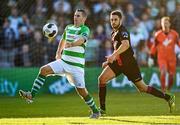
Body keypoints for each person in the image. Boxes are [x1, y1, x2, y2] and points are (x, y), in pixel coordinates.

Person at [19, 9, 100, 119]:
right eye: (75, 15)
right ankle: (31, 95)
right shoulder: (68, 27)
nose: (75, 17)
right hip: (64, 62)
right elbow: (63, 39)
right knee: (43, 70)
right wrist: (58, 52)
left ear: (84, 18)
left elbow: (82, 39)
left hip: (76, 67)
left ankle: (95, 111)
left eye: (78, 16)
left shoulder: (85, 29)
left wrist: (72, 44)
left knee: (82, 92)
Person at [98, 10, 175, 115]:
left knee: (142, 88)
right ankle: (102, 110)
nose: (113, 22)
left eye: (115, 19)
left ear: (120, 20)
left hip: (129, 64)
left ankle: (168, 98)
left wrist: (112, 56)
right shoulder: (113, 33)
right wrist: (109, 61)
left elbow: (126, 45)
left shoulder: (123, 31)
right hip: (119, 63)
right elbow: (118, 50)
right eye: (111, 20)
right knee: (102, 79)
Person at [148, 16, 180, 92]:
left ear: (169, 24)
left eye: (166, 23)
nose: (165, 25)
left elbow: (179, 43)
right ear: (161, 24)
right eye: (163, 23)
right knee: (163, 72)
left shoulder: (175, 34)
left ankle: (169, 89)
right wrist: (151, 57)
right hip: (162, 58)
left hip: (172, 58)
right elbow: (154, 46)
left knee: (171, 76)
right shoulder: (158, 35)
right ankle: (163, 91)